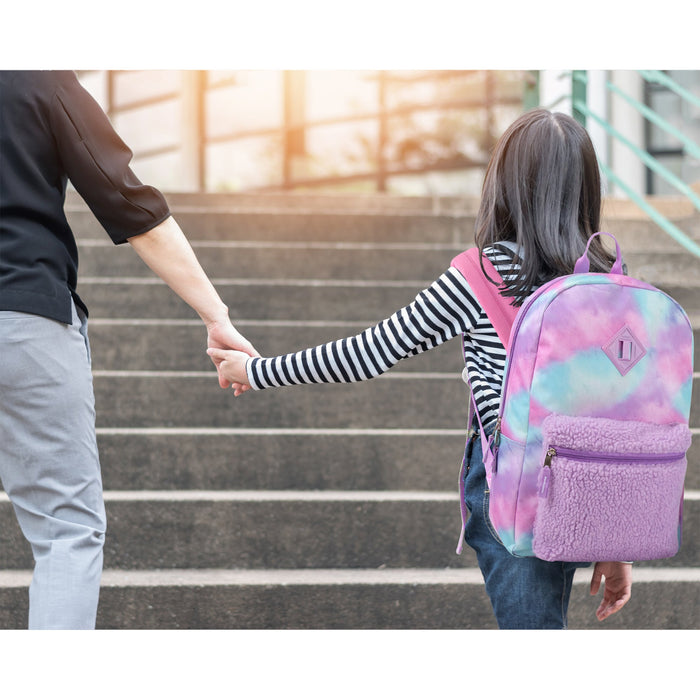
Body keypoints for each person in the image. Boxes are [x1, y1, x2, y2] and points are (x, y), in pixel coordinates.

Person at [207, 109, 633, 629]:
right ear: (586, 187)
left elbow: (369, 353)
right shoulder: (611, 280)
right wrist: (615, 540)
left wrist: (257, 371)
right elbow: (616, 414)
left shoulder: (480, 275)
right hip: (586, 483)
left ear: (505, 182)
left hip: (513, 488)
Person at [0, 70, 257, 629]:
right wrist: (215, 314)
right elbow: (129, 203)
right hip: (23, 313)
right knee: (67, 528)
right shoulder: (36, 76)